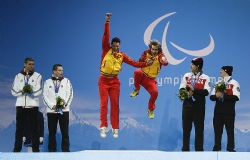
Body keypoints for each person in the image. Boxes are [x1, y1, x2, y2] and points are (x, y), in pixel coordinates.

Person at [98, 13, 152, 138]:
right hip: (103, 81)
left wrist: (145, 63)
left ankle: (115, 128)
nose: (116, 47)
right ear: (111, 45)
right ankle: (103, 127)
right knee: (104, 104)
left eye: (118, 45)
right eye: (114, 45)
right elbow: (106, 36)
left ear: (120, 46)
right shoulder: (106, 49)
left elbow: (134, 63)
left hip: (115, 82)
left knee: (115, 104)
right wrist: (107, 22)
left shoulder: (122, 55)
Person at [130, 40, 168, 119]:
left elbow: (165, 62)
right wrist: (146, 60)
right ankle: (137, 90)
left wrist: (164, 61)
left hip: (150, 80)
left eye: (156, 49)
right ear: (150, 48)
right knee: (137, 72)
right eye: (153, 49)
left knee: (155, 93)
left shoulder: (161, 55)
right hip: (142, 75)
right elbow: (140, 60)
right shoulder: (145, 52)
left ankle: (150, 110)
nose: (154, 51)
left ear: (158, 49)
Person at [179, 57, 211, 151]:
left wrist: (194, 90)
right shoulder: (186, 75)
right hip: (187, 105)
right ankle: (185, 150)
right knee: (186, 129)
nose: (190, 66)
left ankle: (199, 152)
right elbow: (181, 88)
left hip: (199, 107)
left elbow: (206, 92)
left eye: (192, 64)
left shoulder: (206, 77)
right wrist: (183, 94)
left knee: (199, 130)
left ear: (197, 66)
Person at [11, 57, 43, 152]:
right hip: (20, 106)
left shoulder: (38, 76)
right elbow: (13, 91)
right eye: (30, 64)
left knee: (35, 129)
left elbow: (39, 90)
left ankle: (36, 150)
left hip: (33, 106)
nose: (32, 66)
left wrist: (30, 92)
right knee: (19, 129)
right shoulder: (17, 76)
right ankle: (16, 150)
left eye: (33, 64)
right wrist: (22, 92)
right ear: (25, 64)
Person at [43, 64, 73, 152]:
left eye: (62, 70)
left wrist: (64, 104)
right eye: (59, 70)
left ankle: (66, 152)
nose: (61, 72)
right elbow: (44, 96)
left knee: (65, 132)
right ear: (54, 71)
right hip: (51, 111)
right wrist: (52, 106)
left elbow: (70, 94)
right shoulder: (47, 82)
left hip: (64, 110)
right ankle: (51, 152)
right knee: (52, 133)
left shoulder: (67, 81)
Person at [210, 66, 240, 152]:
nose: (220, 72)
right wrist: (216, 96)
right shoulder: (218, 83)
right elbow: (211, 97)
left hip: (229, 112)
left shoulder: (234, 83)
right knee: (217, 131)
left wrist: (224, 96)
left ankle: (230, 148)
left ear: (226, 71)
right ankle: (217, 148)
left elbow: (236, 97)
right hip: (218, 112)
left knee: (230, 131)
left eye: (221, 70)